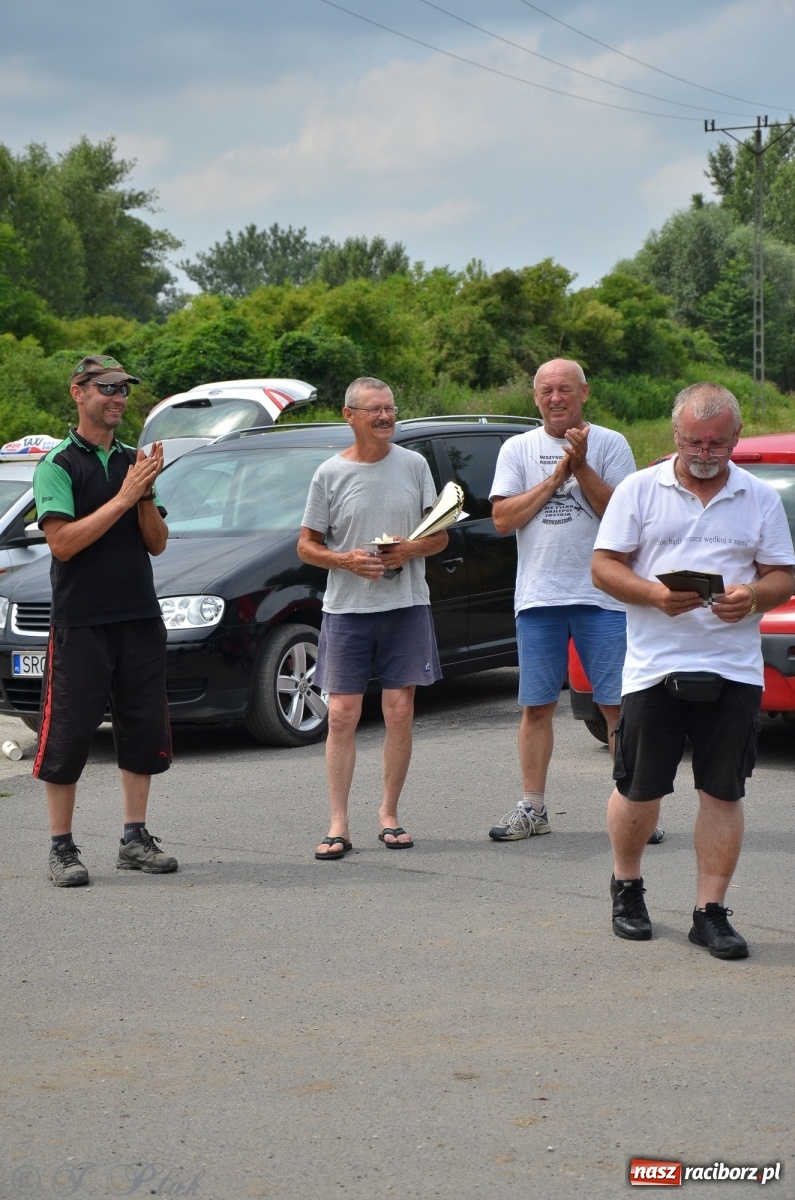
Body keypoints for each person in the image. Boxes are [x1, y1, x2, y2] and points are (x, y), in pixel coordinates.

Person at [593, 383, 795, 958]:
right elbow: (603, 567)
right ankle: (627, 887)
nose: (705, 452)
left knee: (723, 792)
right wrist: (653, 595)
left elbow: (783, 574)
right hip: (654, 666)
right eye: (693, 441)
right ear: (674, 433)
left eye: (718, 442)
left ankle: (710, 912)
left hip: (733, 667)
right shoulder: (638, 490)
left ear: (737, 436)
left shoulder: (758, 497)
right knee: (638, 788)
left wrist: (752, 598)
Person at [486, 358, 653, 842]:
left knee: (616, 706)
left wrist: (582, 466)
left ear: (585, 392)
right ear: (536, 397)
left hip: (603, 596)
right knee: (537, 707)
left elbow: (623, 517)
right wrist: (557, 477)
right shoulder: (517, 448)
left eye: (565, 389)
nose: (556, 398)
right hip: (539, 596)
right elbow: (503, 520)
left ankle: (633, 807)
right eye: (547, 390)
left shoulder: (612, 443)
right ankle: (533, 808)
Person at [33, 354, 177, 886]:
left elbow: (157, 543)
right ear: (79, 392)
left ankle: (134, 839)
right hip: (82, 622)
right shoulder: (58, 464)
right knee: (69, 735)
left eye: (124, 389)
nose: (118, 397)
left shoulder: (134, 460)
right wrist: (124, 496)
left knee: (142, 728)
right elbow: (63, 543)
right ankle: (61, 848)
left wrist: (144, 493)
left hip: (138, 616)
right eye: (108, 388)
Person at [297, 377, 448, 859]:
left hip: (406, 604)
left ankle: (389, 814)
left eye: (390, 409)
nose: (385, 417)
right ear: (350, 415)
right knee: (342, 714)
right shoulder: (329, 474)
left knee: (399, 711)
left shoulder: (414, 465)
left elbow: (440, 536)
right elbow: (306, 546)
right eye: (374, 410)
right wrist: (344, 560)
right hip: (347, 609)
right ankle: (338, 823)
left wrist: (410, 549)